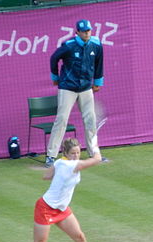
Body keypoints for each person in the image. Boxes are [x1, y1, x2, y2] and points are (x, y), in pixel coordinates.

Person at [16, 138, 111, 242]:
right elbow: (96, 160)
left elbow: (46, 176)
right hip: (45, 208)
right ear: (66, 153)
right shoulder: (70, 164)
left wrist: (59, 176)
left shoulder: (61, 163)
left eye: (78, 153)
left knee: (80, 237)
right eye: (72, 153)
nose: (75, 156)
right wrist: (94, 144)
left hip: (61, 208)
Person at [45, 19, 108, 168]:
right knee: (61, 120)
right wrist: (55, 77)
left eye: (89, 30)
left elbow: (99, 63)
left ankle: (94, 153)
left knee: (90, 120)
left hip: (86, 88)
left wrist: (98, 82)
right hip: (67, 87)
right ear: (77, 32)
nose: (87, 33)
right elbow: (54, 58)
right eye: (84, 31)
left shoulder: (96, 44)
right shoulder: (68, 46)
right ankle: (51, 156)